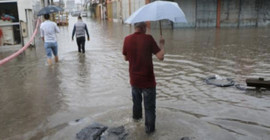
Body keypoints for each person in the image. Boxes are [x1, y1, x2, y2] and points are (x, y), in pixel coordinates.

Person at [122, 22, 165, 134]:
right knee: (149, 108)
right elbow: (160, 57)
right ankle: (149, 133)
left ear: (135, 27)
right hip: (148, 82)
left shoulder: (127, 39)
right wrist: (162, 45)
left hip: (134, 80)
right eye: (146, 27)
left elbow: (126, 58)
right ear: (143, 28)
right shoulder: (148, 39)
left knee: (136, 105)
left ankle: (136, 126)